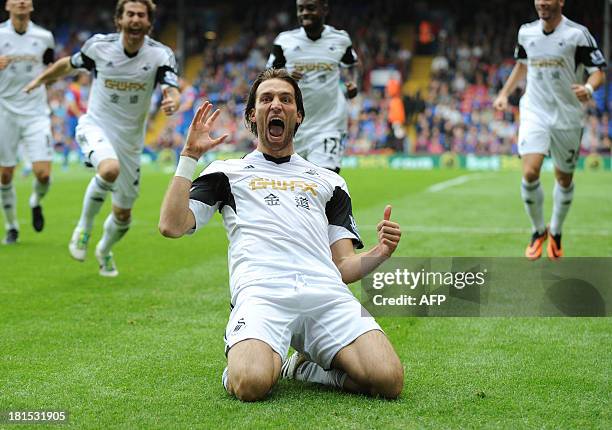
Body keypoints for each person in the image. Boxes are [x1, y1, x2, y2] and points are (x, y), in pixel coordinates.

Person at [159, 68, 404, 401]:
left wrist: (380, 252)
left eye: (286, 99)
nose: (276, 105)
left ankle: (304, 368)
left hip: (325, 294)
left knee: (388, 381)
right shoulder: (226, 172)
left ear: (298, 115)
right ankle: (250, 355)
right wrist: (189, 157)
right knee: (251, 384)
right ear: (252, 114)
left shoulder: (328, 181)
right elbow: (171, 225)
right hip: (262, 294)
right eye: (266, 99)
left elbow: (343, 265)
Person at [25, 0, 180, 276]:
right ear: (118, 20)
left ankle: (104, 249)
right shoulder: (99, 46)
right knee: (109, 169)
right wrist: (40, 80)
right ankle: (83, 228)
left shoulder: (160, 54)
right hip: (96, 125)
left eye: (141, 15)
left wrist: (172, 99)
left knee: (123, 216)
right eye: (130, 14)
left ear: (149, 23)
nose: (135, 19)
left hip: (131, 142)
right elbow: (67, 65)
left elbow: (172, 87)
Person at [493, 0, 606, 260]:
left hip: (567, 115)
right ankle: (537, 231)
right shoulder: (526, 32)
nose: (542, 2)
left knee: (564, 179)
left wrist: (588, 89)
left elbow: (598, 72)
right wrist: (504, 93)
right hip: (534, 110)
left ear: (561, 1)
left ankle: (555, 231)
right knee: (530, 171)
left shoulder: (577, 34)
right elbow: (522, 64)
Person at [267, 0, 359, 173]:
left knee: (326, 181)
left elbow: (351, 64)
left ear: (324, 9)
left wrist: (353, 83)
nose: (304, 13)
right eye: (300, 9)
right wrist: (285, 77)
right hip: (294, 126)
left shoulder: (340, 39)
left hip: (330, 123)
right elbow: (267, 78)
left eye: (310, 8)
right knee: (290, 185)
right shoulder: (284, 41)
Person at [0, 0, 55, 244]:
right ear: (7, 5)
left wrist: (50, 76)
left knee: (43, 174)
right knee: (5, 175)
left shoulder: (44, 37)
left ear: (31, 6)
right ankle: (11, 226)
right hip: (5, 112)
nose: (21, 2)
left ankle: (35, 201)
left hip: (36, 113)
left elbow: (51, 70)